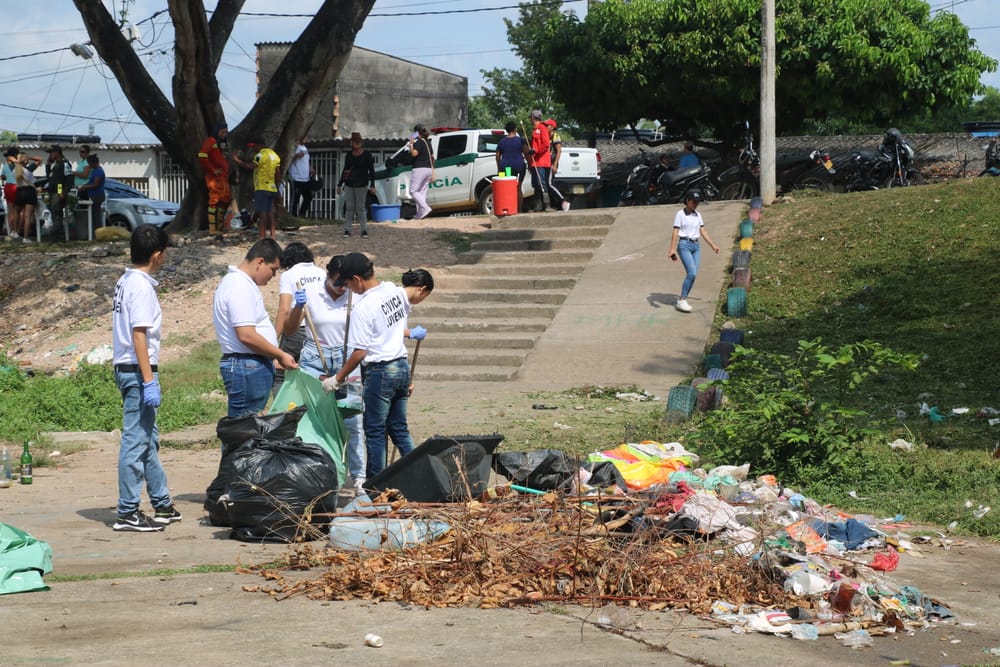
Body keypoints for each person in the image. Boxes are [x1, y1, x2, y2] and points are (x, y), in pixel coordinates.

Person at [320, 253, 433, 478]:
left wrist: (337, 379)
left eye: (349, 285)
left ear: (356, 279)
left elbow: (360, 352)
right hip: (401, 367)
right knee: (399, 428)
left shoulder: (363, 308)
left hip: (380, 373)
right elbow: (388, 327)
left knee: (374, 431)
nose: (349, 290)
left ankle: (376, 485)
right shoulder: (393, 290)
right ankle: (423, 474)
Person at [110, 223, 181, 532]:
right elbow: (139, 335)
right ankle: (127, 511)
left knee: (147, 440)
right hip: (137, 369)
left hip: (129, 367)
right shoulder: (140, 287)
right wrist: (149, 379)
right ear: (157, 255)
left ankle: (162, 503)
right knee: (135, 441)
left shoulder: (127, 281)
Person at [284, 254, 367, 491]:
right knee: (316, 421)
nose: (341, 289)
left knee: (352, 420)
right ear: (327, 276)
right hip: (314, 360)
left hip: (346, 360)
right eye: (336, 284)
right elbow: (289, 331)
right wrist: (298, 306)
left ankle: (359, 477)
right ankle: (318, 474)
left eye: (345, 284)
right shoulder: (310, 292)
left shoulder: (355, 296)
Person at [212, 238, 298, 417]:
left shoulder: (242, 284)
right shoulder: (239, 286)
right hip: (246, 367)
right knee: (243, 429)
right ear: (260, 262)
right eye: (273, 269)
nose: (273, 276)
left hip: (250, 364)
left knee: (247, 428)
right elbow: (247, 335)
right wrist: (279, 354)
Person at [271, 241, 324, 395]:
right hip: (319, 331)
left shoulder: (289, 275)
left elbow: (284, 309)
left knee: (279, 372)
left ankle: (282, 412)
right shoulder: (321, 273)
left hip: (297, 329)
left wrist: (274, 339)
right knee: (312, 373)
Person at [668, 190, 720, 313]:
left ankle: (683, 299)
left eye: (697, 202)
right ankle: (682, 300)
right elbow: (675, 231)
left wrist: (713, 245)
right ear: (687, 201)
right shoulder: (680, 214)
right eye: (693, 202)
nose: (696, 204)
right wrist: (672, 249)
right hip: (684, 245)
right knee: (691, 273)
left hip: (696, 246)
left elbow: (703, 231)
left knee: (694, 274)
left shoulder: (698, 215)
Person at [234, 141, 281, 240]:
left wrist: (237, 160)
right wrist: (275, 184)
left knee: (262, 213)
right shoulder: (274, 155)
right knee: (270, 212)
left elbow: (251, 166)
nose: (253, 149)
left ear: (261, 145)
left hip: (262, 188)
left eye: (254, 146)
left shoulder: (260, 155)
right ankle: (273, 235)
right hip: (272, 188)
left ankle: (262, 236)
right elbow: (278, 173)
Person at [338, 132, 376, 238]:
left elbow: (371, 171)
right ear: (351, 143)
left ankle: (364, 230)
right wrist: (339, 184)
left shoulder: (367, 155)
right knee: (349, 207)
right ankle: (347, 229)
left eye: (358, 142)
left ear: (361, 143)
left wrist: (373, 185)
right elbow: (345, 170)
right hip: (349, 184)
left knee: (360, 208)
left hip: (362, 184)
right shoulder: (349, 156)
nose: (356, 144)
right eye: (355, 142)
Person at [197, 122, 232, 235]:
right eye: (222, 132)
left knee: (224, 200)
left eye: (226, 132)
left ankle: (220, 227)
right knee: (214, 201)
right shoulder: (211, 141)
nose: (224, 134)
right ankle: (212, 229)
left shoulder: (221, 143)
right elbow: (202, 155)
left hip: (224, 178)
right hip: (215, 178)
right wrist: (213, 170)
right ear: (217, 131)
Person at [495, 121, 530, 211]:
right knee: (518, 187)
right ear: (515, 129)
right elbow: (526, 153)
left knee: (507, 187)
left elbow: (498, 156)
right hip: (519, 166)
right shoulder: (520, 140)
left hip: (506, 167)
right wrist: (530, 164)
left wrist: (499, 169)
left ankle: (509, 208)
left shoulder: (502, 141)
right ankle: (519, 210)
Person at [44, 145, 74, 240]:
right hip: (53, 191)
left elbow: (68, 180)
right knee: (54, 214)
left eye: (51, 153)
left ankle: (58, 236)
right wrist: (48, 165)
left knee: (57, 214)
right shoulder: (56, 165)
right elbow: (50, 177)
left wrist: (63, 192)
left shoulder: (64, 164)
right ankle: (57, 235)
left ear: (57, 153)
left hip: (58, 191)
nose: (50, 155)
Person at [14, 152, 44, 242]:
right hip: (29, 192)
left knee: (17, 213)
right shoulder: (29, 170)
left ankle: (15, 231)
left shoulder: (15, 170)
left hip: (19, 192)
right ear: (26, 161)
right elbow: (40, 159)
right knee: (27, 216)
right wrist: (29, 157)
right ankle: (26, 237)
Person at [408, 124, 434, 220]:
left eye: (414, 132)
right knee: (422, 192)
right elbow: (432, 157)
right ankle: (420, 214)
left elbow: (414, 154)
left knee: (413, 191)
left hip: (419, 168)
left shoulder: (418, 142)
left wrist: (411, 144)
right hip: (428, 170)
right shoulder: (428, 142)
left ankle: (426, 208)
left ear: (417, 133)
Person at [528, 109, 552, 211]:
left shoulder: (542, 128)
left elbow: (546, 144)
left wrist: (536, 151)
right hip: (535, 162)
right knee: (535, 183)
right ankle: (538, 206)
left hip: (542, 161)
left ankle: (547, 205)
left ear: (533, 118)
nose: (530, 120)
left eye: (530, 118)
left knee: (542, 183)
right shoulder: (534, 129)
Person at [543, 118, 569, 211]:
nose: (545, 127)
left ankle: (563, 200)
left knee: (549, 184)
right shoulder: (545, 135)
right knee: (548, 183)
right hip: (546, 163)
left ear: (552, 127)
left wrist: (555, 164)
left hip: (552, 163)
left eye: (547, 125)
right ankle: (555, 204)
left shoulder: (555, 136)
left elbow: (558, 151)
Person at [77, 154, 106, 234]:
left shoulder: (98, 171)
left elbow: (96, 184)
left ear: (94, 163)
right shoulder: (94, 171)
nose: (89, 165)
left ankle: (98, 233)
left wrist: (85, 187)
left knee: (96, 215)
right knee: (93, 214)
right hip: (92, 194)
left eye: (89, 163)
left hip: (96, 195)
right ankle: (94, 232)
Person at [288, 136, 312, 218]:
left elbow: (306, 161)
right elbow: (289, 157)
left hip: (306, 178)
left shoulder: (305, 148)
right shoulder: (294, 147)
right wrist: (297, 155)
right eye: (305, 137)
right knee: (295, 199)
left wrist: (310, 168)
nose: (307, 139)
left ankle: (302, 214)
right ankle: (293, 216)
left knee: (309, 197)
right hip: (296, 178)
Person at [1, 148, 19, 237]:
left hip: (8, 186)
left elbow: (2, 177)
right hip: (15, 186)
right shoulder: (17, 165)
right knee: (15, 210)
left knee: (10, 210)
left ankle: (10, 231)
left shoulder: (5, 166)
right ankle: (15, 230)